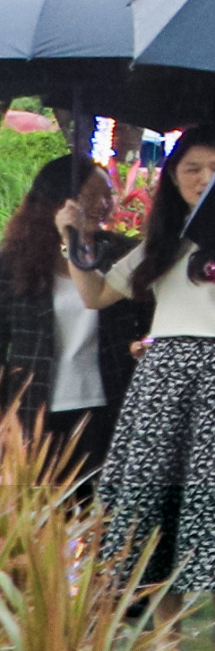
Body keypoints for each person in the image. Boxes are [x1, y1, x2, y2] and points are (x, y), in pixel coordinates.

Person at [98, 131, 215, 614]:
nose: (203, 178)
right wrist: (73, 239)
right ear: (173, 177)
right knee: (150, 507)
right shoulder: (164, 241)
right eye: (191, 168)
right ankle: (165, 647)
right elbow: (97, 295)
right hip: (163, 379)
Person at [0, 153, 111, 467]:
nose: (103, 204)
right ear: (57, 201)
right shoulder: (13, 265)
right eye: (91, 195)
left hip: (109, 403)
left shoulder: (118, 256)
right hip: (35, 407)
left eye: (108, 195)